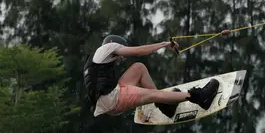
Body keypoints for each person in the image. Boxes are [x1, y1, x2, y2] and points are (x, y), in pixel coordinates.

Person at [83, 34, 220, 119]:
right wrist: (164, 44)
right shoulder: (108, 47)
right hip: (112, 99)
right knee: (152, 95)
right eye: (120, 55)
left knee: (138, 68)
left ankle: (166, 106)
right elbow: (139, 51)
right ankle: (200, 97)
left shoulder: (95, 60)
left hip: (108, 100)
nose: (120, 58)